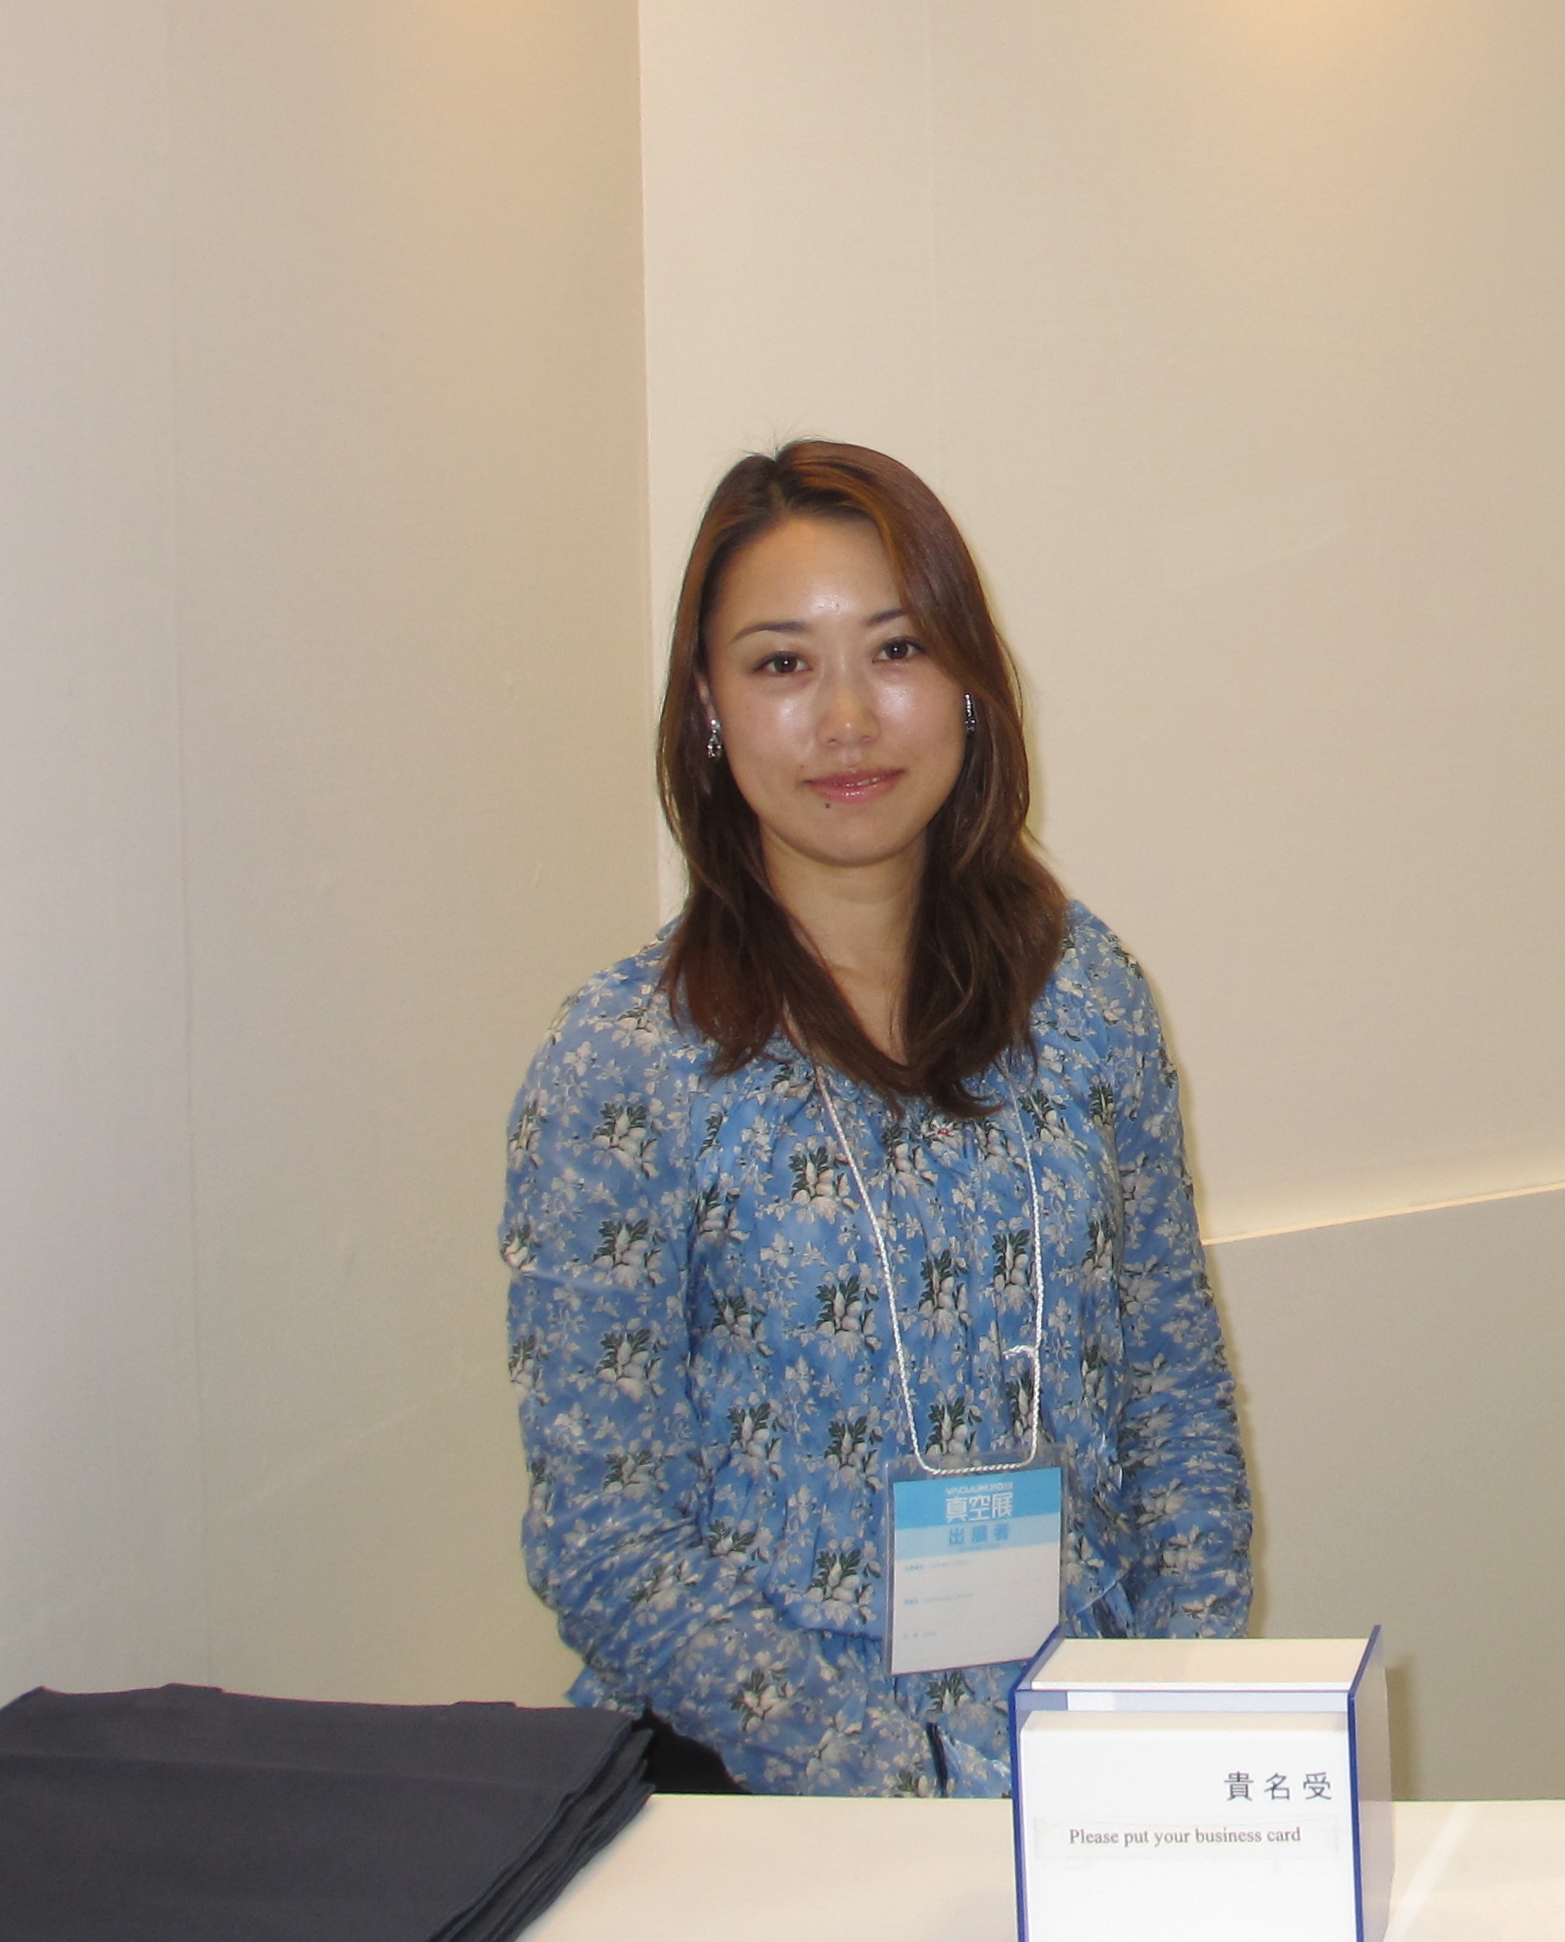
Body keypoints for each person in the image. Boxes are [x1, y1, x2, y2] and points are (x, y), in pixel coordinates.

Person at [502, 441, 1254, 1794]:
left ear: (968, 682)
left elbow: (1173, 1392)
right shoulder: (625, 1063)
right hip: (769, 1791)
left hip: (1086, 1761)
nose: (847, 718)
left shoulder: (1085, 993)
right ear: (708, 705)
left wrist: (1175, 1717)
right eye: (782, 663)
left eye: (897, 649)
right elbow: (607, 1534)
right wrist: (898, 1782)